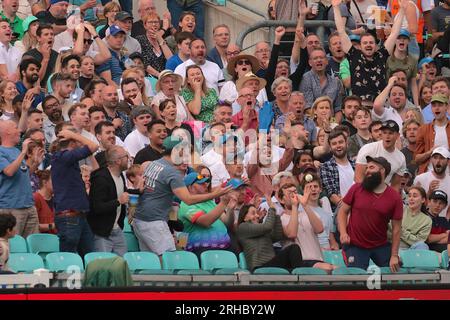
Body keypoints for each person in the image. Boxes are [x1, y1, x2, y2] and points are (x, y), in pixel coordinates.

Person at [133, 136, 231, 256]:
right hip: (154, 222)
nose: (186, 156)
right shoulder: (171, 172)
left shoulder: (153, 164)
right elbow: (188, 200)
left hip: (140, 219)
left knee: (150, 262)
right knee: (169, 260)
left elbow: (140, 188)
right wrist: (215, 194)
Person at [332, 0, 407, 105]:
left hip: (379, 108)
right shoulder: (354, 55)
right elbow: (341, 30)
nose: (368, 45)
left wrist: (403, 10)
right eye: (365, 43)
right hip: (359, 108)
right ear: (360, 46)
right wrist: (335, 7)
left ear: (376, 46)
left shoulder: (381, 55)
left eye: (371, 42)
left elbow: (394, 33)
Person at [338, 156, 403, 271]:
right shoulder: (356, 189)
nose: (367, 170)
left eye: (371, 167)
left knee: (396, 268)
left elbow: (397, 229)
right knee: (357, 278)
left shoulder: (395, 197)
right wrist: (343, 233)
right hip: (355, 244)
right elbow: (342, 211)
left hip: (381, 244)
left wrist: (394, 255)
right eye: (366, 168)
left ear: (382, 171)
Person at [51, 122, 98, 256]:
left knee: (89, 256)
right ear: (73, 141)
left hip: (78, 215)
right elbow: (93, 146)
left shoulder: (64, 158)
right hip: (69, 216)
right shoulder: (64, 156)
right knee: (68, 259)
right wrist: (74, 135)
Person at [237, 196, 305, 272]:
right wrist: (272, 209)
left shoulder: (261, 230)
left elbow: (277, 236)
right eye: (253, 213)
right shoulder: (243, 227)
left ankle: (300, 277)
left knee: (293, 265)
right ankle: (301, 277)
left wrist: (276, 216)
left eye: (257, 213)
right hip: (259, 267)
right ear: (245, 218)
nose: (257, 215)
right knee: (293, 248)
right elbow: (267, 227)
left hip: (271, 264)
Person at [279, 182, 336, 272]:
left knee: (340, 270)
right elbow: (292, 234)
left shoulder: (308, 213)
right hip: (299, 261)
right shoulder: (281, 218)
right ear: (282, 200)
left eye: (295, 192)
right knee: (328, 268)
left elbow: (320, 229)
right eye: (290, 193)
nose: (294, 195)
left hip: (318, 259)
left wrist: (305, 205)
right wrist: (294, 206)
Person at [178, 172, 237, 258]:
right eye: (201, 183)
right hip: (202, 251)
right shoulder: (186, 204)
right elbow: (205, 221)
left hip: (226, 249)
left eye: (206, 182)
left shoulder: (210, 202)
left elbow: (227, 222)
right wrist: (223, 203)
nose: (206, 185)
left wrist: (230, 209)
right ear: (190, 188)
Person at [88, 146, 131, 256]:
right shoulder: (101, 179)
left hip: (117, 229)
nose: (129, 158)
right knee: (104, 265)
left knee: (122, 264)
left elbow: (121, 192)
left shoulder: (120, 175)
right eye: (126, 156)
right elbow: (96, 207)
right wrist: (118, 201)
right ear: (118, 161)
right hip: (102, 232)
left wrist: (138, 191)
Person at [0, 120, 39, 238]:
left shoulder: (16, 151)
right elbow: (9, 171)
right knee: (14, 246)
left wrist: (36, 163)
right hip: (11, 207)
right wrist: (23, 152)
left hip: (28, 205)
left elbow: (24, 174)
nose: (19, 131)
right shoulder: (2, 151)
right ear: (7, 132)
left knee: (32, 245)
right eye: (16, 128)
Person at [355, 120, 407, 189]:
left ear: (397, 135)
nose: (387, 136)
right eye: (384, 133)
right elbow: (358, 178)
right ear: (381, 134)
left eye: (390, 133)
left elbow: (395, 186)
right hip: (363, 190)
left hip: (383, 194)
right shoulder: (367, 149)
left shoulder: (401, 158)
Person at [299, 47, 343, 122]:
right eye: (315, 58)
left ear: (327, 61)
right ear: (310, 62)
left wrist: (333, 125)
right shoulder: (305, 79)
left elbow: (338, 108)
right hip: (311, 123)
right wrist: (322, 123)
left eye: (321, 58)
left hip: (331, 123)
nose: (319, 60)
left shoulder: (336, 82)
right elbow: (307, 108)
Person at [320, 130, 355, 212]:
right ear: (330, 147)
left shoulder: (356, 165)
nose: (338, 146)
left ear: (347, 143)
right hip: (342, 212)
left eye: (340, 142)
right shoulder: (326, 167)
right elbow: (332, 195)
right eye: (334, 144)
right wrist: (349, 211)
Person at [415, 94, 450, 174]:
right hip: (429, 175)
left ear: (447, 107)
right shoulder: (423, 129)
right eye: (434, 105)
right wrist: (429, 152)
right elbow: (416, 159)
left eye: (440, 105)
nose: (437, 108)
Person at [388, 186, 431, 250]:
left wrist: (399, 229)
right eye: (409, 196)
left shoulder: (427, 220)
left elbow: (419, 241)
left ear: (423, 200)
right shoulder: (399, 208)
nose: (411, 198)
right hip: (390, 245)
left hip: (410, 249)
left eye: (414, 196)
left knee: (423, 246)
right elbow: (389, 225)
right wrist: (410, 236)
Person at [414, 147, 450, 217]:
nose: (438, 161)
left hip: (443, 225)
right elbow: (414, 205)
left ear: (448, 161)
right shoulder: (420, 179)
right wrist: (429, 192)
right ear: (431, 159)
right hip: (422, 223)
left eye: (442, 158)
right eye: (435, 158)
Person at [135, 12, 173, 78]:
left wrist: (160, 39)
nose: (154, 24)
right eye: (150, 22)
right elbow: (144, 63)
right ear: (145, 25)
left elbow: (171, 60)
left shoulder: (163, 41)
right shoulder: (140, 40)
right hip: (149, 78)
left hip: (165, 77)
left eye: (156, 22)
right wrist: (159, 75)